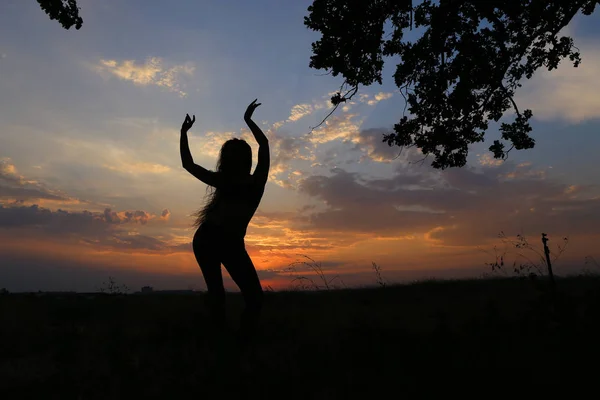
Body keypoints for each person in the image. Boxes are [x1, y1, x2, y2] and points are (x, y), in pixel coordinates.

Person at [180, 99, 269, 348]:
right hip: (209, 239)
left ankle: (236, 341)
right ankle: (225, 341)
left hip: (226, 242)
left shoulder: (247, 181)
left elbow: (188, 164)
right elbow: (263, 144)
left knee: (250, 298)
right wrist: (249, 121)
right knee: (229, 296)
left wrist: (183, 134)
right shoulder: (246, 181)